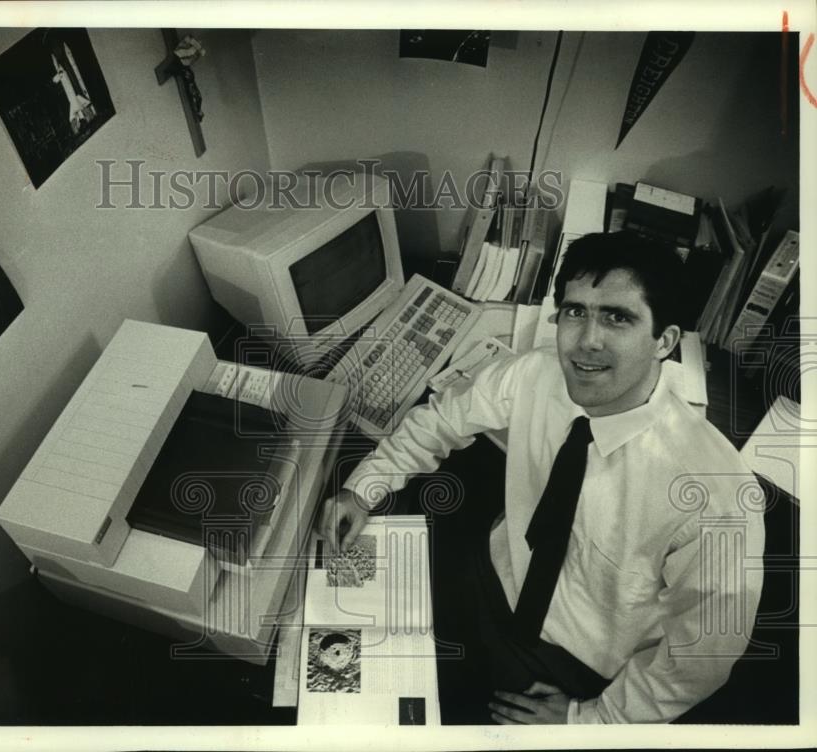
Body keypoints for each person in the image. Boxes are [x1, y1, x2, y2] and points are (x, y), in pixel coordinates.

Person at [318, 231, 764, 724]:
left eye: (617, 317)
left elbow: (700, 658)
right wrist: (365, 486)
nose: (587, 341)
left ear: (665, 341)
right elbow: (443, 418)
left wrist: (588, 722)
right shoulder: (534, 374)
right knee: (355, 678)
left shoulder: (717, 494)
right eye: (576, 312)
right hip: (490, 575)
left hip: (572, 662)